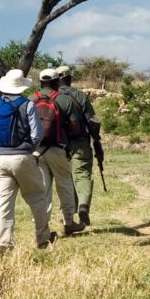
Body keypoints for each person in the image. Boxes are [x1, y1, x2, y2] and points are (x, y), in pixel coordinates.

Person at [0, 69, 55, 251]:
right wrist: (29, 148)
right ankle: (43, 237)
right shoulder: (28, 105)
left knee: (3, 202)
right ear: (21, 86)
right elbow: (37, 133)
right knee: (37, 197)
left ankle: (3, 242)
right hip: (23, 156)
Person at [31, 68, 86, 236]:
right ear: (56, 82)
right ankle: (68, 222)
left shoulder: (31, 99)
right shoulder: (64, 99)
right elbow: (75, 126)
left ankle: (42, 227)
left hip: (37, 150)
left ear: (41, 82)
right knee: (65, 185)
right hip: (58, 148)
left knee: (43, 189)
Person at [56, 65, 102, 226]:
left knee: (65, 178)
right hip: (80, 142)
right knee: (82, 174)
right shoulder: (80, 95)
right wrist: (96, 141)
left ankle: (69, 214)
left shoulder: (53, 97)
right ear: (69, 78)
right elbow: (91, 120)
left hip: (58, 144)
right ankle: (83, 206)